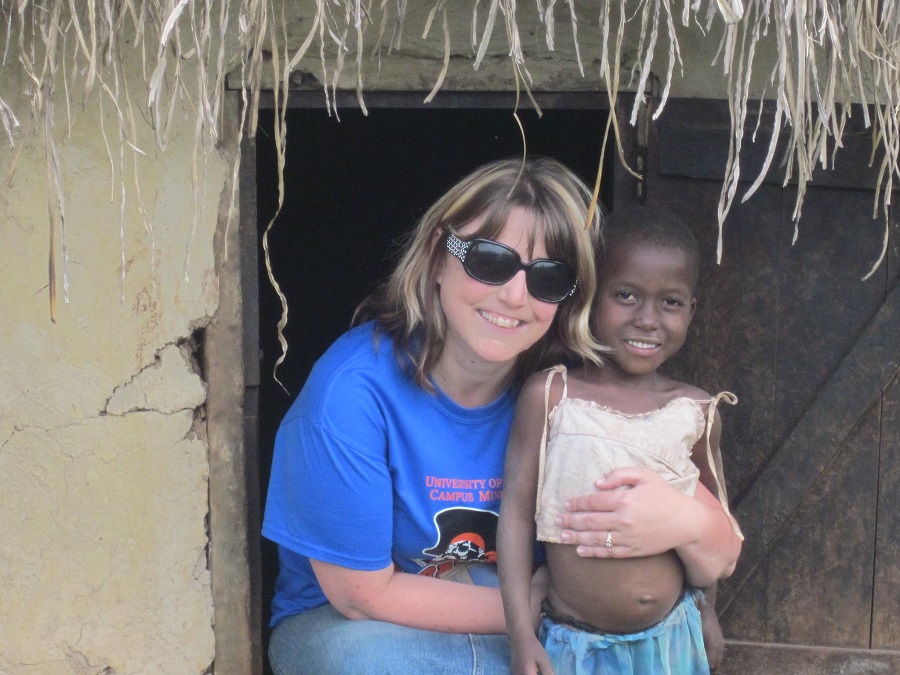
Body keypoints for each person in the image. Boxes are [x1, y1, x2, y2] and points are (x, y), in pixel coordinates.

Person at [263, 159, 743, 675]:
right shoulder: (353, 393)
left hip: (539, 624)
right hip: (362, 630)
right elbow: (360, 596)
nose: (515, 296)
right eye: (490, 262)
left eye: (548, 277)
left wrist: (690, 524)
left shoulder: (566, 392)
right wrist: (561, 613)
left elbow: (719, 549)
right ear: (438, 255)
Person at [498, 206, 744, 675]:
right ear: (590, 297)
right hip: (572, 647)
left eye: (670, 302)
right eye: (626, 295)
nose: (648, 319)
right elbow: (515, 512)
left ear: (691, 311)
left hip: (672, 640)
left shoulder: (695, 410)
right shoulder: (553, 395)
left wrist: (709, 614)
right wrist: (519, 633)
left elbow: (716, 521)